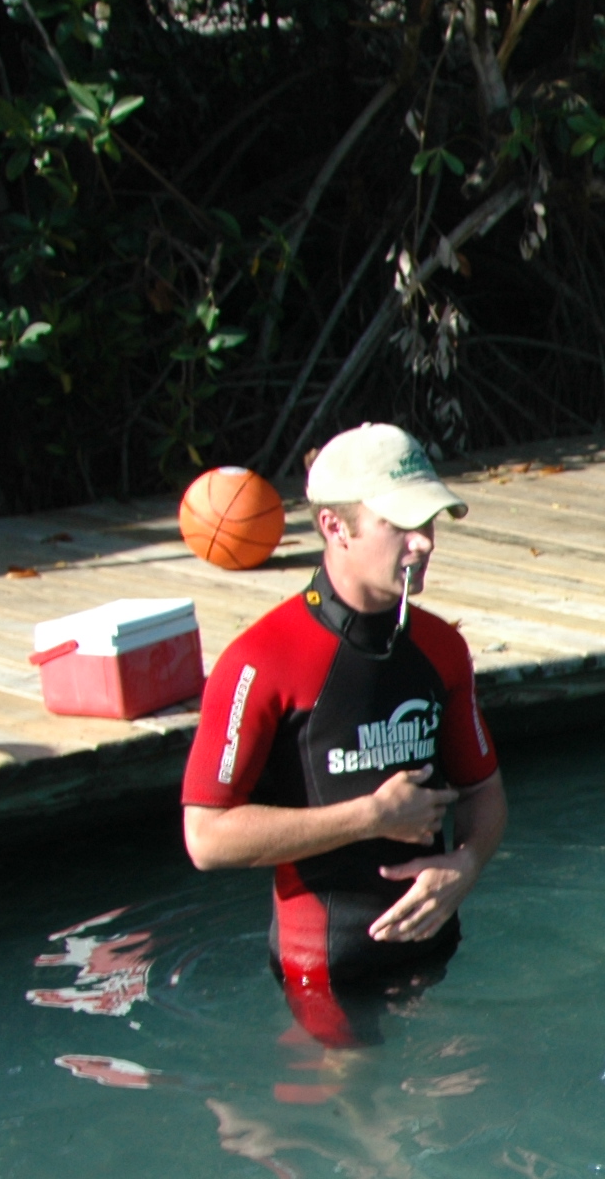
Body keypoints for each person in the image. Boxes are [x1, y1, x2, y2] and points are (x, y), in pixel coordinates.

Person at [182, 422, 505, 1048]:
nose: (423, 541)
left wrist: (466, 863)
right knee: (351, 1104)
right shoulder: (261, 661)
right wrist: (371, 816)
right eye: (400, 524)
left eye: (429, 521)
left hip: (434, 950)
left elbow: (484, 791)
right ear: (336, 527)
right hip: (324, 972)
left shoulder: (441, 647)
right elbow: (206, 839)